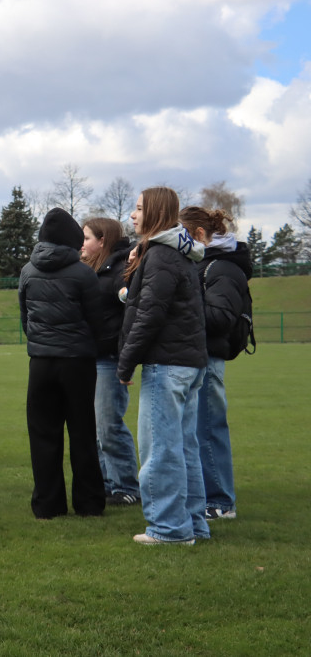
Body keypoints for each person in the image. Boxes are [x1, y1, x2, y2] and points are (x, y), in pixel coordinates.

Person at [118, 187, 208, 545]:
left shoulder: (161, 256)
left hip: (168, 365)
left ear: (155, 213)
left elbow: (149, 316)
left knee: (161, 450)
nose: (133, 215)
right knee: (184, 447)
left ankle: (169, 530)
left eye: (140, 208)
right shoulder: (178, 253)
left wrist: (125, 363)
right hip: (187, 363)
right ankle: (193, 525)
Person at [18, 209, 106, 519]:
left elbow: (26, 319)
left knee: (43, 433)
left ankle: (47, 504)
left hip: (41, 362)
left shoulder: (27, 271)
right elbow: (96, 321)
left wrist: (41, 343)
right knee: (83, 432)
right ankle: (89, 502)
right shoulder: (83, 274)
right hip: (77, 362)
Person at [179, 206, 252, 521]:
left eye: (180, 233)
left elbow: (221, 318)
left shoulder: (221, 268)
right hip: (194, 355)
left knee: (208, 428)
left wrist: (180, 305)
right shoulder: (204, 263)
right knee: (198, 429)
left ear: (198, 234)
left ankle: (220, 501)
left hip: (208, 356)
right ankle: (206, 497)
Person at [81, 217, 141, 506]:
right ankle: (106, 483)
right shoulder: (90, 270)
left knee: (108, 426)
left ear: (102, 240)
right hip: (88, 358)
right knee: (94, 428)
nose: (82, 244)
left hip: (108, 359)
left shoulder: (120, 270)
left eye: (87, 238)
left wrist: (124, 352)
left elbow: (132, 305)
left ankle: (126, 487)